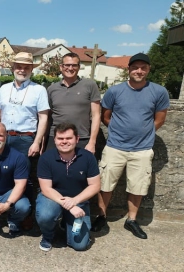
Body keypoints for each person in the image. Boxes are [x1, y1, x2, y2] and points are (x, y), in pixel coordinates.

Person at [91, 53, 170, 239]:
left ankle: (132, 220)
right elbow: (105, 116)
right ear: (129, 69)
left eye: (143, 67)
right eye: (135, 67)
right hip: (115, 146)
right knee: (105, 183)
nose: (139, 71)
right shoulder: (115, 91)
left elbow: (160, 119)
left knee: (138, 186)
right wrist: (121, 131)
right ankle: (101, 216)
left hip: (142, 149)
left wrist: (144, 132)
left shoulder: (159, 92)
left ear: (149, 70)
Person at [0, 52, 49, 228]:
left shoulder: (39, 90)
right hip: (4, 138)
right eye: (19, 66)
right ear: (13, 68)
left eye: (26, 67)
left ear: (31, 69)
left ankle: (25, 215)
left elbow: (43, 118)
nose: (22, 70)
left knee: (27, 179)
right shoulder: (4, 88)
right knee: (2, 174)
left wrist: (37, 142)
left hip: (25, 139)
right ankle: (4, 210)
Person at [35, 123, 100, 251]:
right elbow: (46, 188)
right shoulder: (46, 158)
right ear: (55, 140)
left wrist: (74, 202)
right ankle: (48, 236)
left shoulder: (88, 157)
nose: (64, 142)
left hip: (78, 201)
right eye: (60, 138)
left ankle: (65, 222)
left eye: (69, 138)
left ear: (77, 139)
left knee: (80, 245)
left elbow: (95, 185)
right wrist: (69, 205)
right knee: (45, 214)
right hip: (52, 199)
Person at [46, 52, 101, 154]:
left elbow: (96, 115)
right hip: (56, 137)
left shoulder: (90, 85)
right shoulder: (52, 89)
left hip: (82, 138)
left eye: (74, 65)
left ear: (79, 67)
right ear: (61, 67)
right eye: (67, 65)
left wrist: (92, 142)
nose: (70, 68)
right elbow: (47, 117)